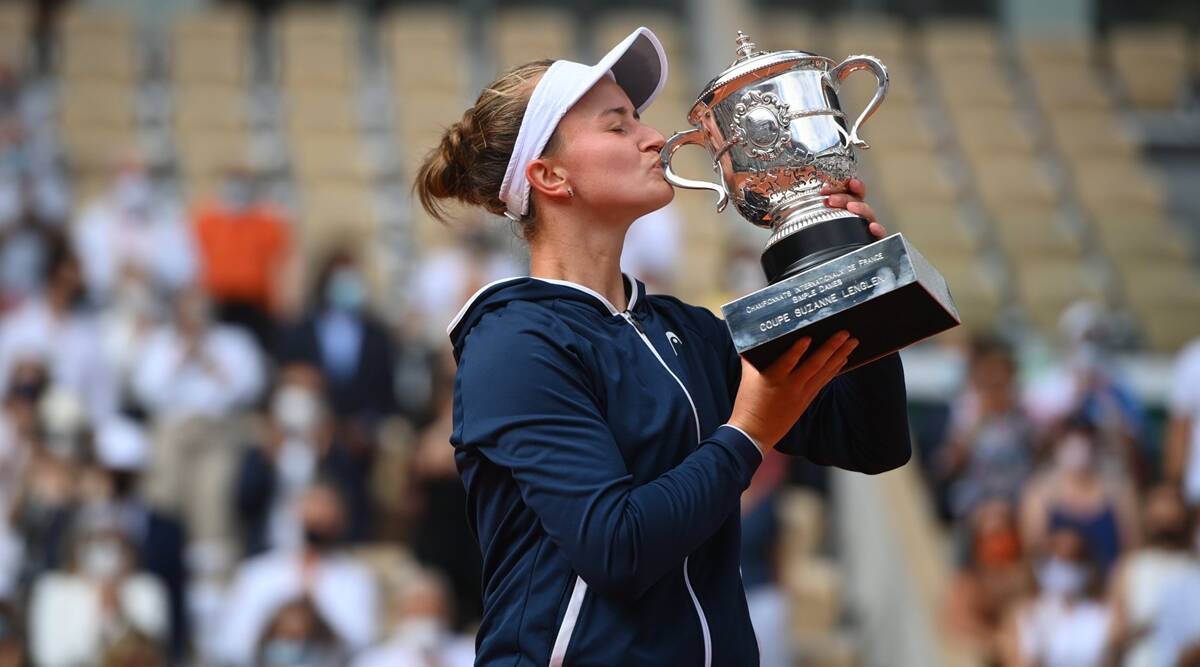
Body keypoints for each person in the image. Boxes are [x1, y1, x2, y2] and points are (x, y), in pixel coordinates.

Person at [414, 27, 910, 666]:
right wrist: (748, 433)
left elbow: (871, 442)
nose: (653, 137)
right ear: (549, 175)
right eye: (618, 126)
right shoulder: (514, 342)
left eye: (639, 119)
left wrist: (845, 272)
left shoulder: (689, 329)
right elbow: (617, 548)